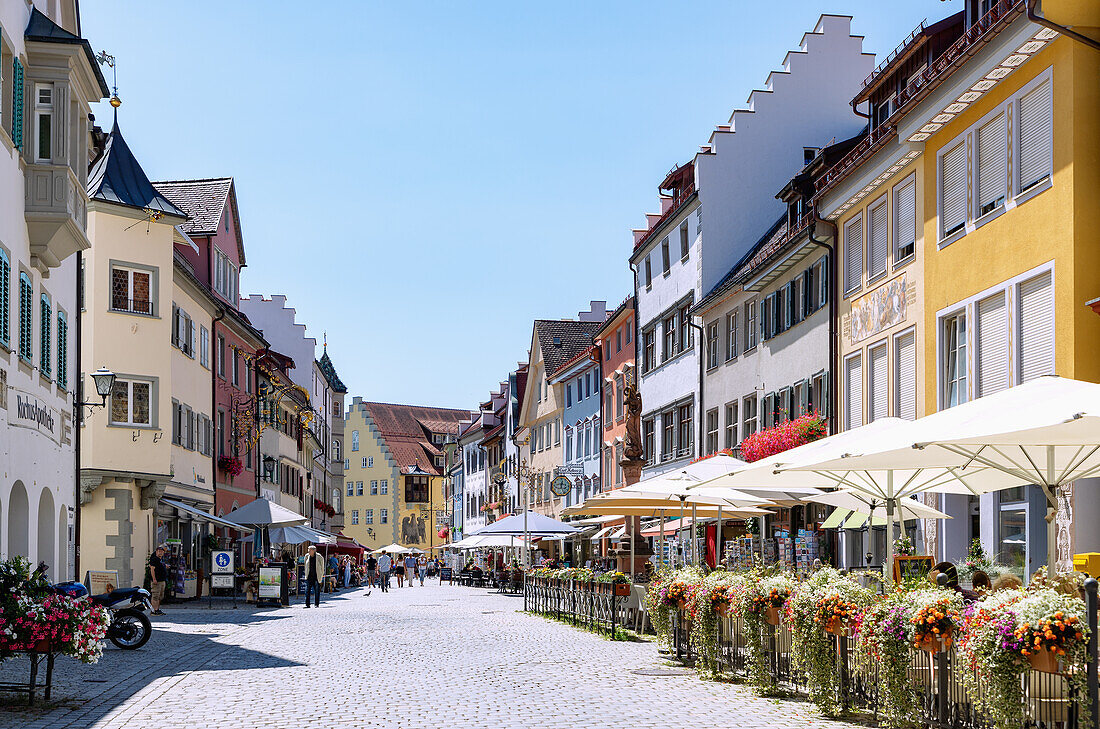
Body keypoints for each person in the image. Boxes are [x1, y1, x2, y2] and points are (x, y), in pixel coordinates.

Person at [147, 545, 168, 615]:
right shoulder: (154, 559)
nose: (160, 553)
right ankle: (154, 611)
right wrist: (154, 579)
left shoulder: (161, 560)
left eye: (161, 551)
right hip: (157, 581)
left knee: (160, 596)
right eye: (159, 551)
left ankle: (157, 609)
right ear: (156, 552)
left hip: (162, 580)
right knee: (155, 595)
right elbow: (152, 569)